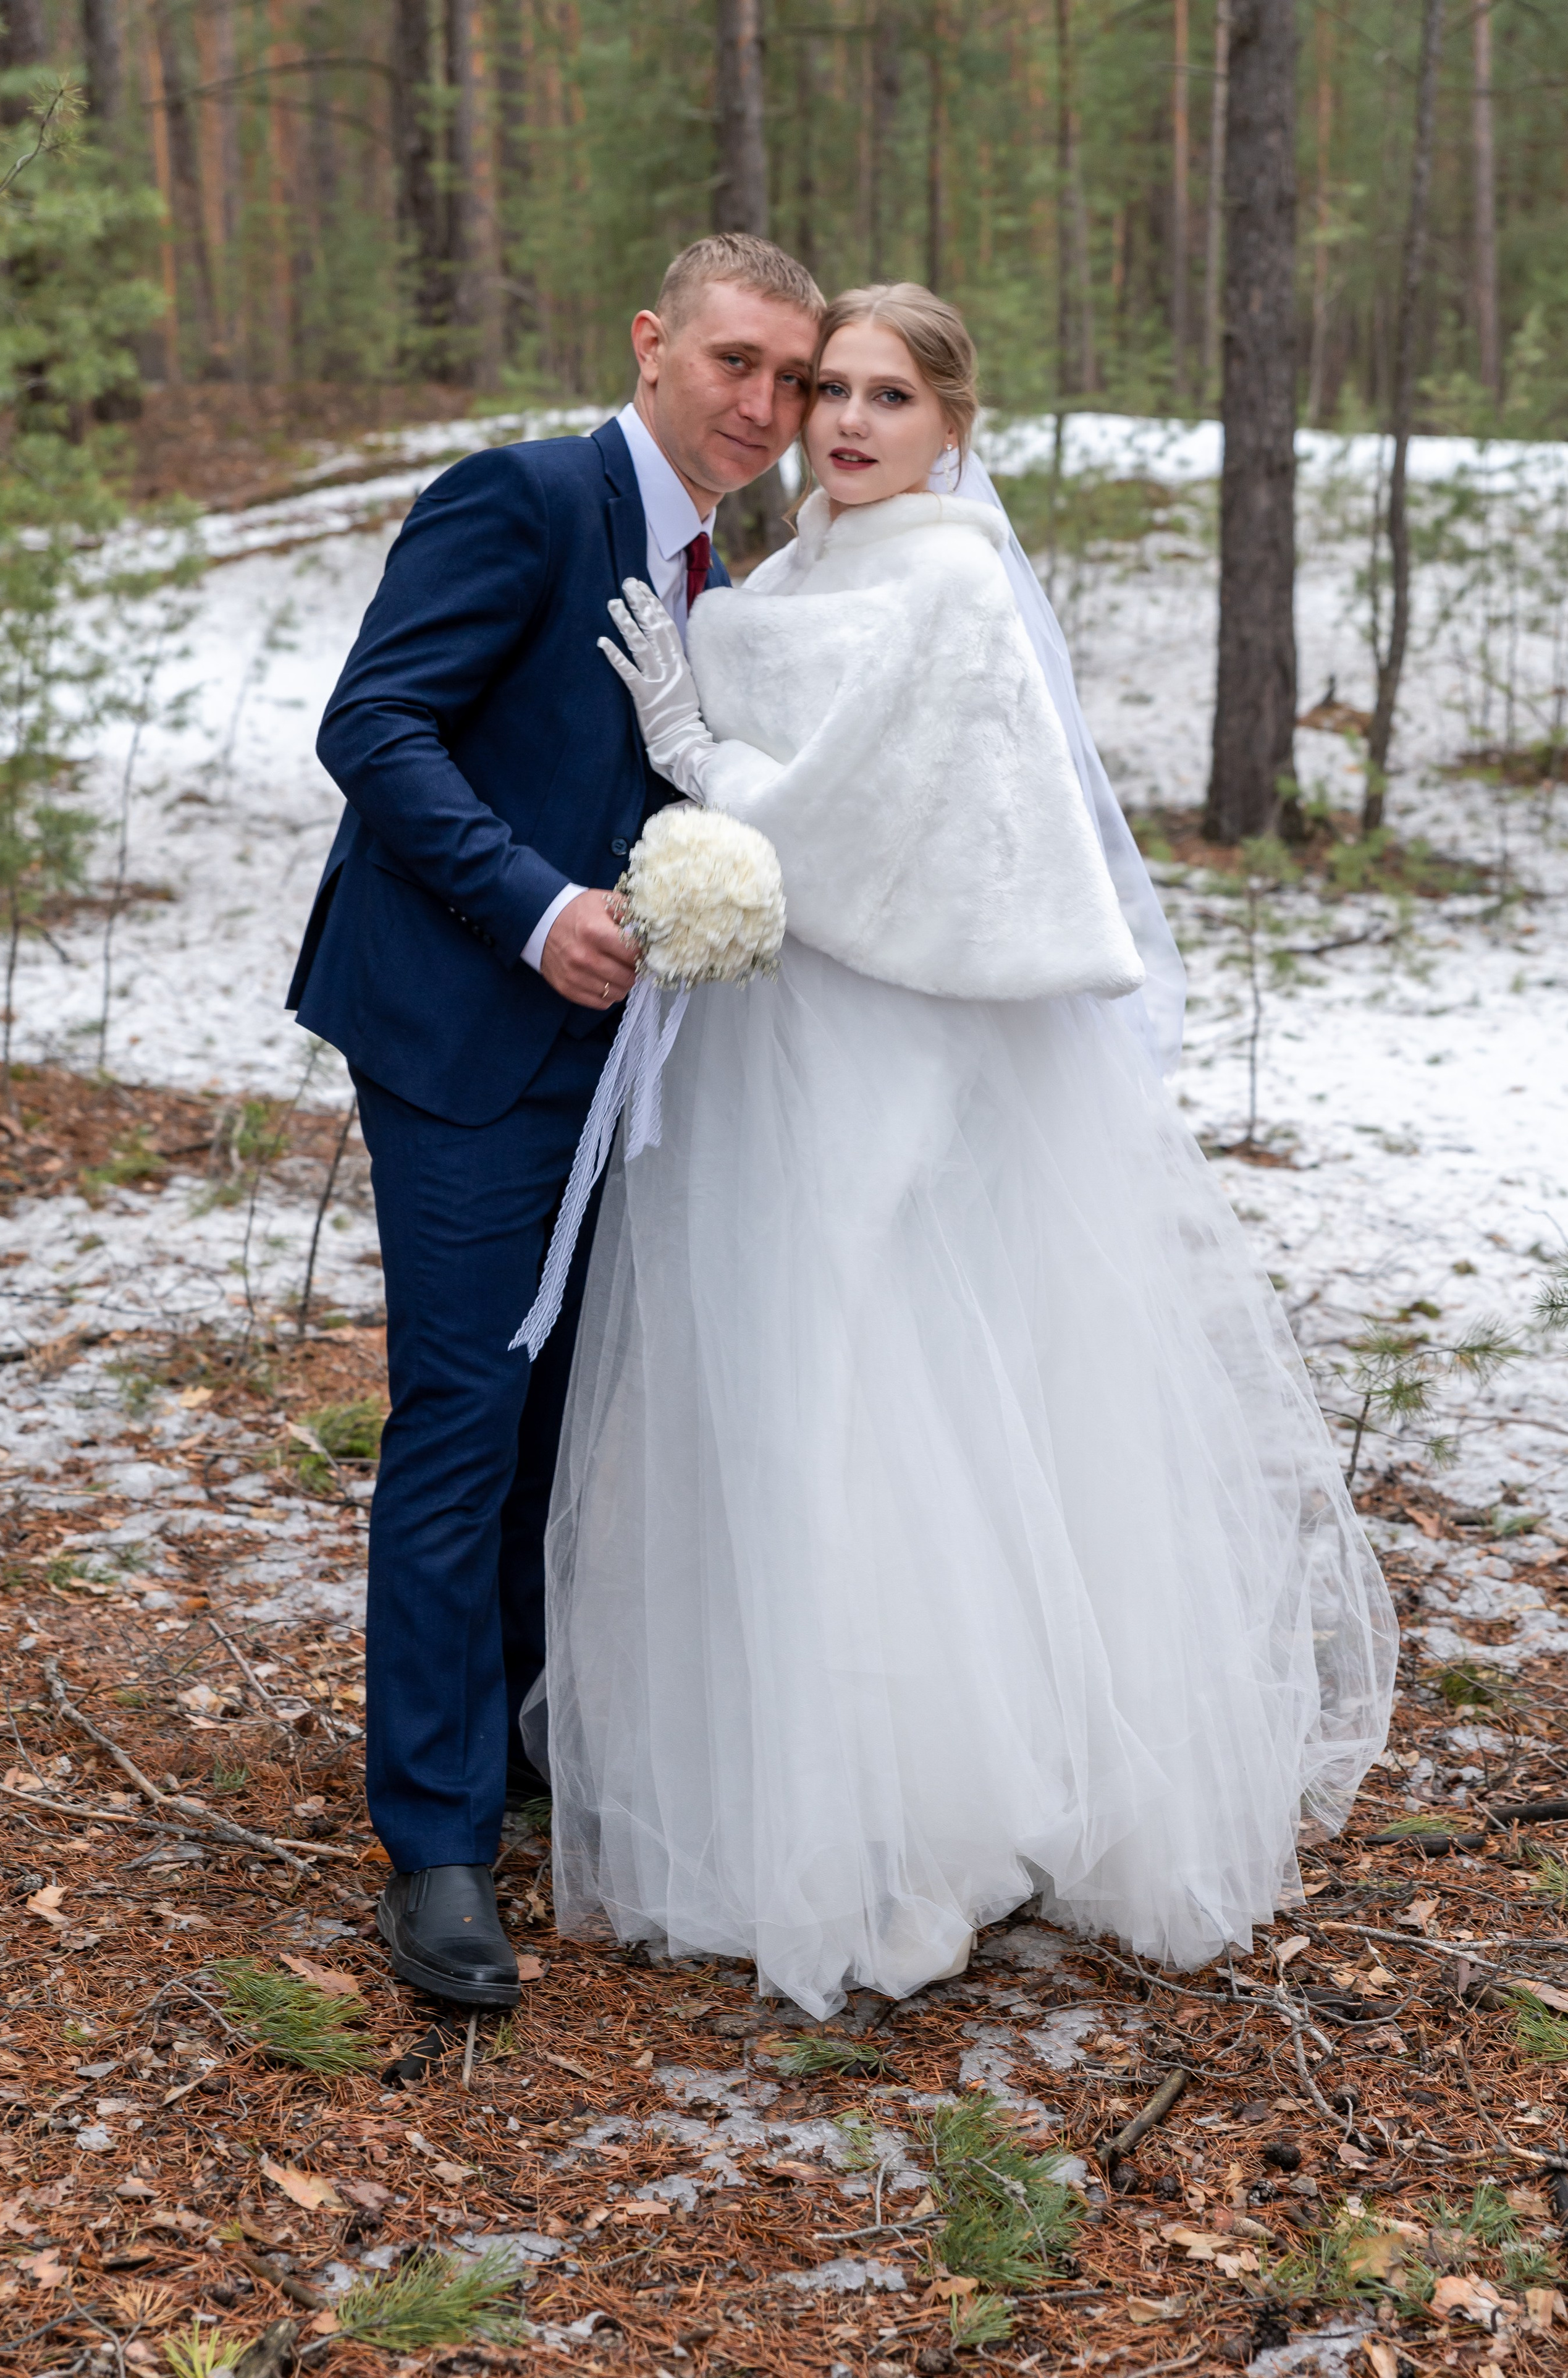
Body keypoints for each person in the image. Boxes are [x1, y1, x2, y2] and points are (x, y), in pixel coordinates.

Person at [547, 284, 1397, 2016]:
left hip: (888, 1040)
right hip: (776, 1048)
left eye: (886, 397)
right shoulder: (802, 561)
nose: (846, 424)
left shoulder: (945, 581)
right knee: (789, 1404)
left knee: (871, 1393)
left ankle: (931, 1824)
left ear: (953, 424)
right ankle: (828, 1797)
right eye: (826, 391)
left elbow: (862, 814)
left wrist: (698, 754)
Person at [287, 235, 824, 2008]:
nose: (765, 407)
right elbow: (373, 724)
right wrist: (532, 904)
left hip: (618, 1066)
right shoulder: (523, 496)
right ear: (654, 340)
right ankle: (432, 1841)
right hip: (458, 1031)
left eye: (795, 383)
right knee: (460, 1416)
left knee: (559, 1408)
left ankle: (508, 1728)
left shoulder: (712, 559)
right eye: (736, 364)